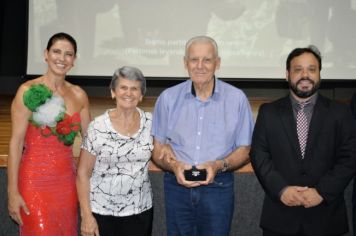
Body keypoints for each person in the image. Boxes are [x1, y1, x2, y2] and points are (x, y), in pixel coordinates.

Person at [151, 35, 254, 236]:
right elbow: (156, 148)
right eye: (194, 59)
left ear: (218, 63)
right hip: (176, 187)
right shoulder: (168, 98)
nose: (200, 66)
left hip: (219, 187)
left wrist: (217, 165)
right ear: (185, 63)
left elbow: (245, 149)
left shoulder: (237, 99)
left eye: (207, 60)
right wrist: (174, 166)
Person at [250, 46, 356, 236]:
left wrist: (322, 192)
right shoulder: (268, 113)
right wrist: (281, 189)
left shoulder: (340, 112)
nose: (305, 75)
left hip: (326, 219)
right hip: (280, 218)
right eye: (298, 69)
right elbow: (259, 155)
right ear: (287, 75)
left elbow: (349, 157)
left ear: (319, 74)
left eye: (312, 69)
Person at [7, 32, 91, 235]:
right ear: (46, 54)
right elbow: (16, 144)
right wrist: (12, 192)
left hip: (66, 184)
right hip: (33, 182)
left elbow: (91, 143)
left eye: (68, 54)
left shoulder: (79, 95)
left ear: (74, 60)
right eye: (56, 52)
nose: (61, 58)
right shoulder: (27, 91)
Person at [76, 66, 154, 236]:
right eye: (123, 87)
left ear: (141, 95)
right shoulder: (97, 127)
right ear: (113, 92)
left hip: (139, 212)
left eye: (134, 89)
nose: (129, 93)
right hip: (101, 213)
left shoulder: (151, 123)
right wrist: (86, 216)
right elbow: (83, 174)